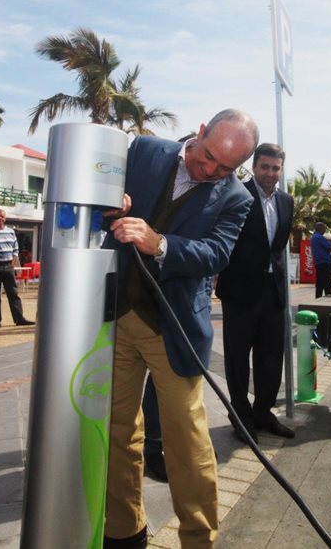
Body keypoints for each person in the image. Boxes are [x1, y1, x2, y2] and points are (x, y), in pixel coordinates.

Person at [102, 109, 259, 549]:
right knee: (117, 429)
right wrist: (111, 207)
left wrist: (160, 243)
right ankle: (124, 530)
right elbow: (101, 206)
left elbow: (215, 254)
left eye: (224, 168)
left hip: (174, 326)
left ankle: (198, 538)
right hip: (117, 313)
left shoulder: (237, 198)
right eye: (207, 156)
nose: (209, 170)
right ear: (202, 131)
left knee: (187, 442)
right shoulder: (145, 150)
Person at [216, 143, 295, 443]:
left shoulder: (287, 202)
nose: (270, 173)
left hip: (272, 292)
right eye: (265, 166)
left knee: (271, 358)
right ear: (254, 166)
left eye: (276, 168)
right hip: (239, 291)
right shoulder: (236, 194)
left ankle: (263, 413)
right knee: (238, 360)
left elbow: (277, 247)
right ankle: (241, 417)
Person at [0, 209, 34, 328]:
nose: (0, 218)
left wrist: (14, 259)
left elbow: (15, 248)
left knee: (13, 293)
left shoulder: (11, 232)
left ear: (5, 218)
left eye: (2, 216)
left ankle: (19, 319)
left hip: (8, 266)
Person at [310, 222, 331, 297]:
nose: (325, 230)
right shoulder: (320, 237)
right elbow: (330, 247)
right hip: (324, 262)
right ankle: (328, 296)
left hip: (318, 263)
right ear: (320, 228)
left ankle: (318, 297)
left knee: (320, 282)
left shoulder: (313, 237)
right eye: (324, 228)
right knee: (327, 282)